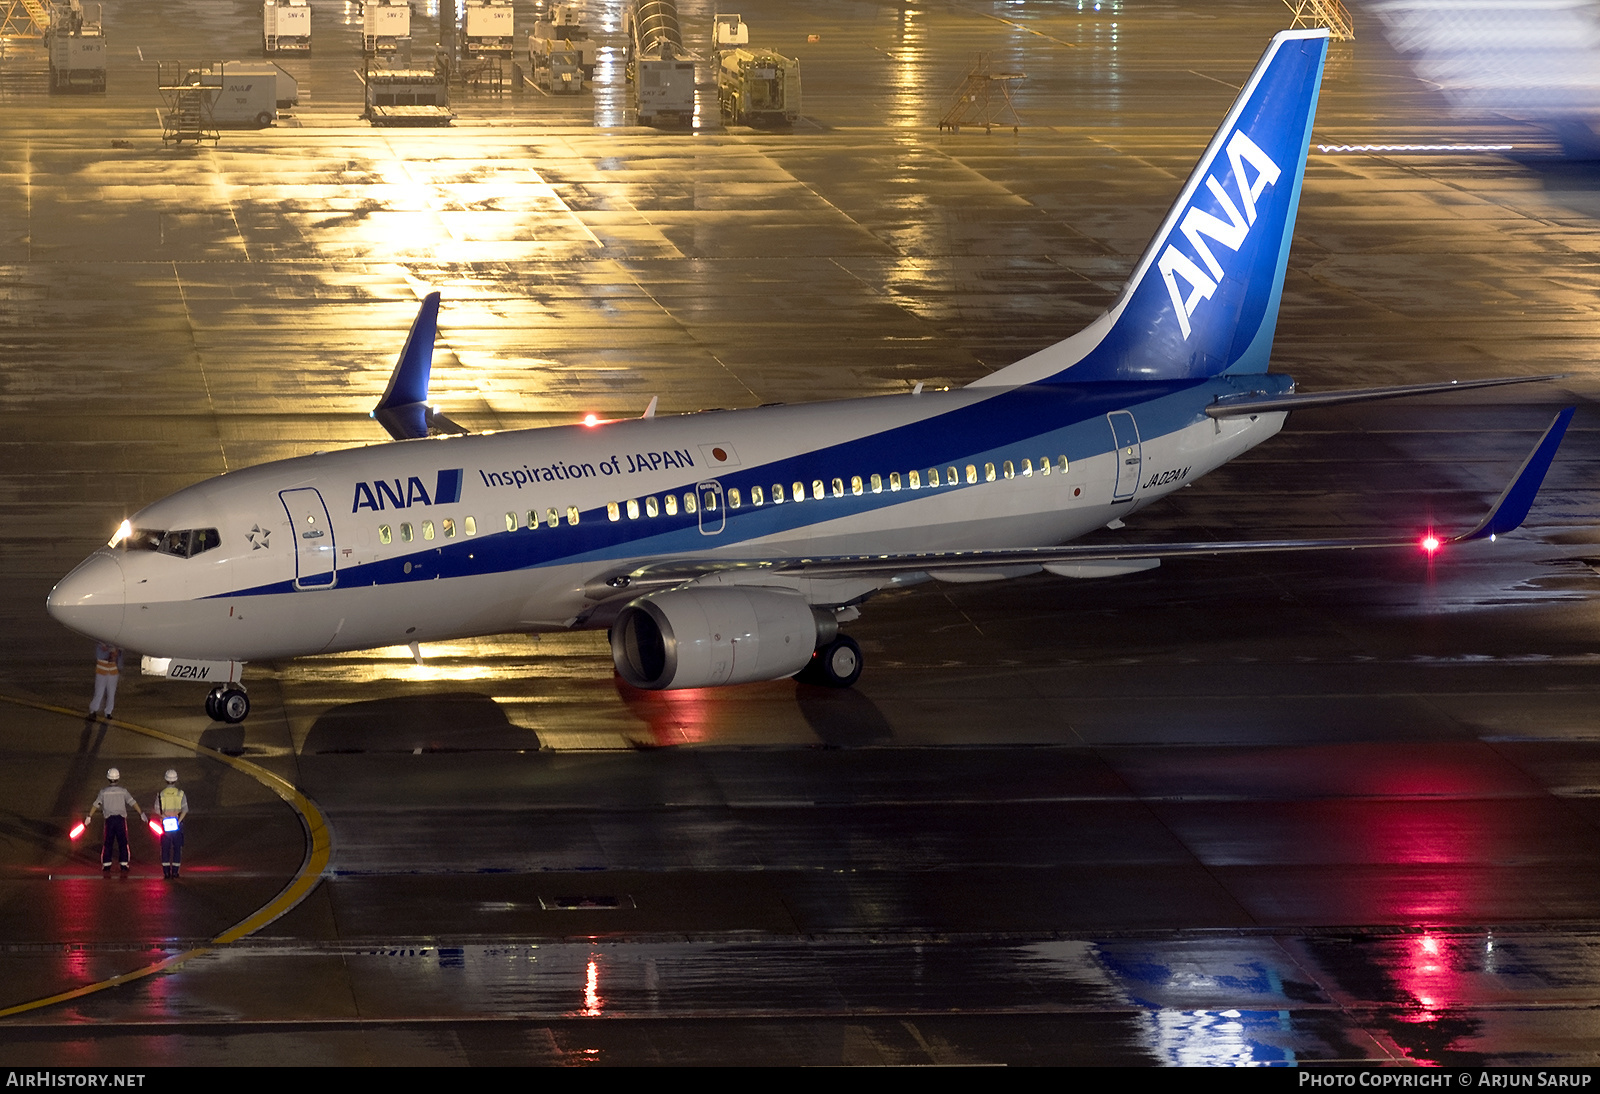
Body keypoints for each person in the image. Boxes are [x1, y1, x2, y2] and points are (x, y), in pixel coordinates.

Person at [85, 767, 146, 875]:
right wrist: (141, 813)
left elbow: (96, 804)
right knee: (123, 842)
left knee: (108, 843)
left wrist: (89, 816)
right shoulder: (123, 791)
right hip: (121, 820)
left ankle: (107, 864)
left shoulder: (103, 792)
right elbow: (132, 802)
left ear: (108, 778)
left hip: (109, 821)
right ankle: (124, 863)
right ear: (118, 778)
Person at [153, 769, 189, 879]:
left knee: (165, 848)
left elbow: (157, 809)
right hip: (177, 824)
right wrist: (177, 821)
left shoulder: (161, 794)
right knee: (177, 848)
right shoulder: (180, 794)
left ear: (166, 780)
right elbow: (185, 809)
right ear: (176, 780)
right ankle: (175, 871)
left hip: (165, 824)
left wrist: (165, 818)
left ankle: (166, 872)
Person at [89, 642, 123, 719]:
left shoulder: (116, 646)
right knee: (99, 692)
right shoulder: (100, 645)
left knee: (111, 693)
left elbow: (119, 658)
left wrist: (119, 669)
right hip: (102, 672)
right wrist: (111, 652)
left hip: (113, 673)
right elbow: (100, 656)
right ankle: (93, 710)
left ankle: (108, 712)